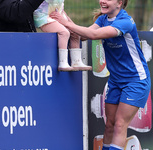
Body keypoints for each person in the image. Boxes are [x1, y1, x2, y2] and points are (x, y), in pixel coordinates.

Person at [50, 0, 151, 150]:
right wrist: (65, 18)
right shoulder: (102, 19)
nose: (102, 1)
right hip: (115, 81)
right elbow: (84, 36)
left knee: (119, 124)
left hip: (135, 81)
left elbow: (94, 34)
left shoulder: (125, 22)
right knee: (109, 124)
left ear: (119, 3)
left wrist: (67, 23)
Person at [33, 0, 92, 71]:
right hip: (43, 17)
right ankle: (63, 62)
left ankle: (77, 61)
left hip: (58, 14)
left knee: (75, 32)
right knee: (64, 32)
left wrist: (66, 18)